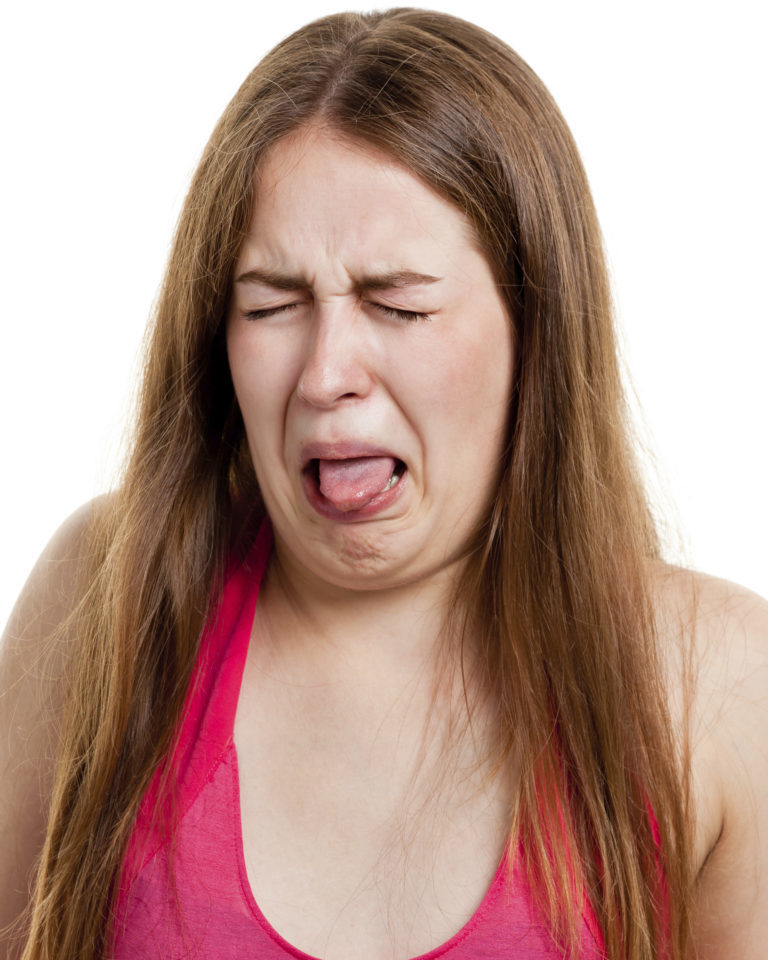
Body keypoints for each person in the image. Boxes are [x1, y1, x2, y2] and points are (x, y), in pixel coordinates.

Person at [1, 7, 766, 959]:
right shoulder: (108, 599)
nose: (326, 376)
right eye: (272, 306)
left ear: (536, 331)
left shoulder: (720, 689)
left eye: (397, 304)